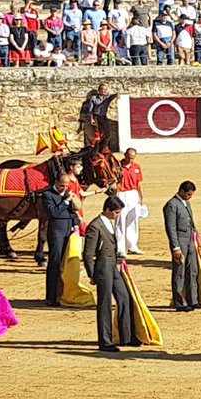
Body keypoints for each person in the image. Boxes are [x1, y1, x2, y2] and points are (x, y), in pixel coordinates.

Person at [83, 196, 133, 352]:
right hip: (102, 267)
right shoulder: (95, 226)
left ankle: (126, 337)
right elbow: (88, 254)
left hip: (112, 265)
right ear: (107, 210)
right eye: (116, 212)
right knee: (104, 304)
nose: (117, 215)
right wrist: (92, 275)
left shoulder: (108, 223)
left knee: (124, 296)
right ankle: (105, 341)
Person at [42, 173, 79, 307]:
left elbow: (73, 212)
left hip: (69, 230)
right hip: (56, 231)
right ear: (56, 182)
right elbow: (53, 213)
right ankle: (51, 297)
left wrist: (75, 225)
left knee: (66, 263)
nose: (64, 188)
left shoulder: (67, 194)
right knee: (55, 262)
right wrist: (66, 201)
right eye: (62, 185)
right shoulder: (47, 195)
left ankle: (63, 294)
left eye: (66, 186)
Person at [164, 181, 199, 312]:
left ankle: (193, 300)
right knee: (180, 271)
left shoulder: (186, 202)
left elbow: (191, 222)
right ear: (181, 191)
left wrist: (196, 236)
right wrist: (175, 247)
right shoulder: (171, 205)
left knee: (192, 269)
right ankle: (180, 302)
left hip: (189, 239)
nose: (190, 197)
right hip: (180, 240)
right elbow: (171, 228)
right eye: (189, 194)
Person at [116, 147, 144, 254]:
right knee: (120, 220)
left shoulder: (137, 167)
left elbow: (139, 184)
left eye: (133, 158)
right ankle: (120, 249)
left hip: (133, 193)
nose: (130, 160)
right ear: (125, 155)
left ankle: (132, 246)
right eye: (129, 157)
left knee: (133, 220)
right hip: (121, 193)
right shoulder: (118, 166)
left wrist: (141, 198)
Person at [83, 83, 117, 148]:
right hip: (96, 117)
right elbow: (90, 110)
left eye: (106, 89)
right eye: (103, 89)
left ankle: (104, 147)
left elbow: (115, 94)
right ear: (99, 90)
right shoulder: (94, 98)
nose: (104, 91)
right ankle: (95, 148)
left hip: (103, 117)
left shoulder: (108, 97)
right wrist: (91, 119)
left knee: (108, 133)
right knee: (97, 134)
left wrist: (114, 93)